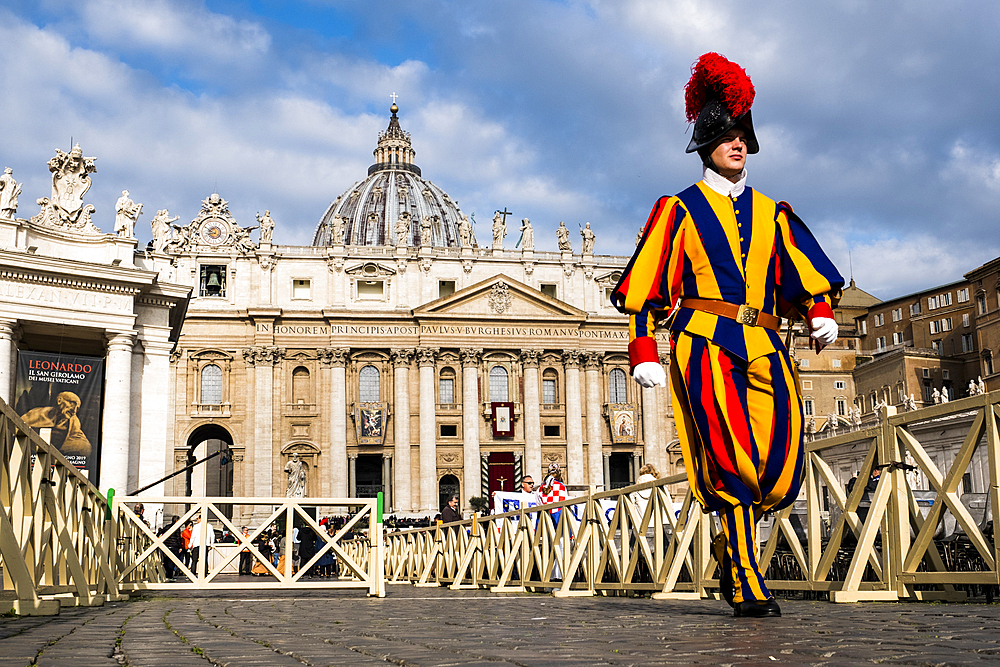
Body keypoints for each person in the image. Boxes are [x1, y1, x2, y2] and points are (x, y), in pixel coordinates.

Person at [611, 53, 843, 619]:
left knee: (778, 460)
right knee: (731, 456)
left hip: (765, 342)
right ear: (706, 144)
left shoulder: (773, 211)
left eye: (744, 136)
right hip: (704, 342)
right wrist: (644, 347)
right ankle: (744, 577)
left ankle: (729, 543)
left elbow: (801, 269)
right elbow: (648, 283)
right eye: (728, 136)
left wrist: (818, 309)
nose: (739, 145)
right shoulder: (678, 209)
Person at [19, 391, 92, 456]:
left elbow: (83, 444)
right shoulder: (37, 413)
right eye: (72, 404)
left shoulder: (73, 421)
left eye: (77, 408)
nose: (74, 410)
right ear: (59, 400)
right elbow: (17, 428)